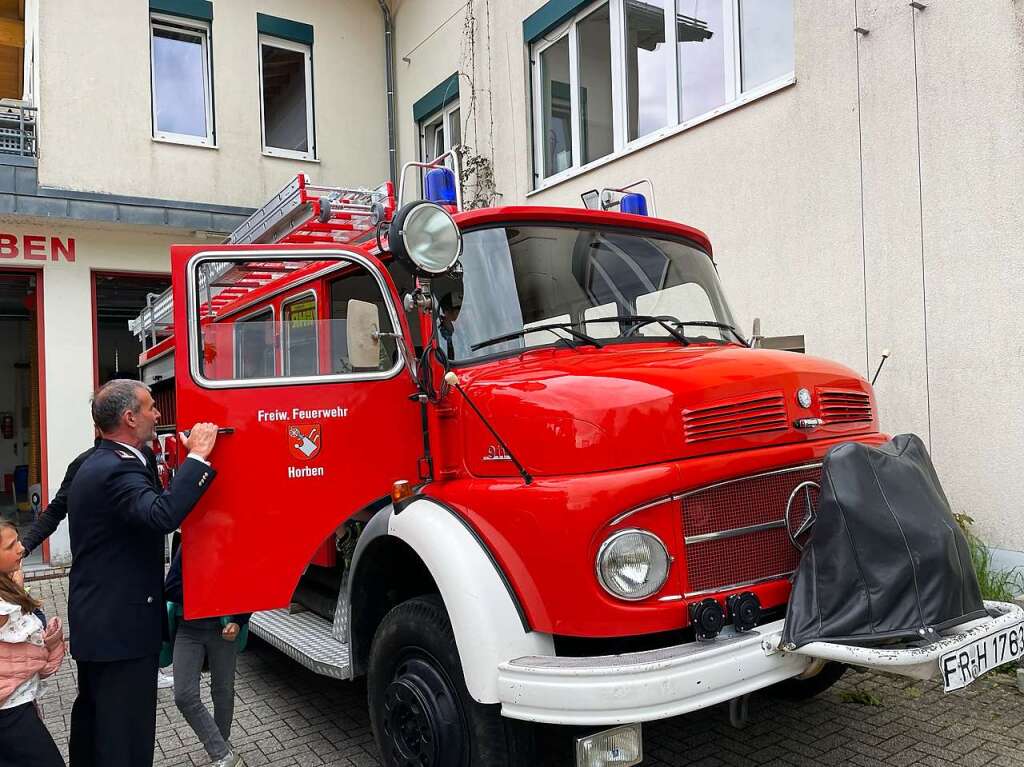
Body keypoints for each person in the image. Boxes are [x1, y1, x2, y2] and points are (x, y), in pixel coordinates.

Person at [67, 379, 220, 767]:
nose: (158, 413)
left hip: (103, 623)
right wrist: (199, 459)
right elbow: (160, 515)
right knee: (125, 736)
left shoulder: (111, 460)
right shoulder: (115, 469)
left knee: (99, 726)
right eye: (151, 406)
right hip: (121, 629)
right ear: (129, 417)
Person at [164, 548, 250, 767]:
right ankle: (223, 752)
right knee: (184, 695)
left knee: (223, 692)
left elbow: (249, 587)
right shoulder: (189, 545)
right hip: (188, 628)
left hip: (223, 628)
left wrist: (239, 621)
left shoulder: (235, 545)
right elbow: (171, 587)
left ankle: (222, 751)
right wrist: (208, 590)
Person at [0, 521, 66, 767]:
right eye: (11, 545)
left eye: (18, 540)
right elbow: (37, 651)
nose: (21, 549)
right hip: (11, 711)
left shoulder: (8, 591)